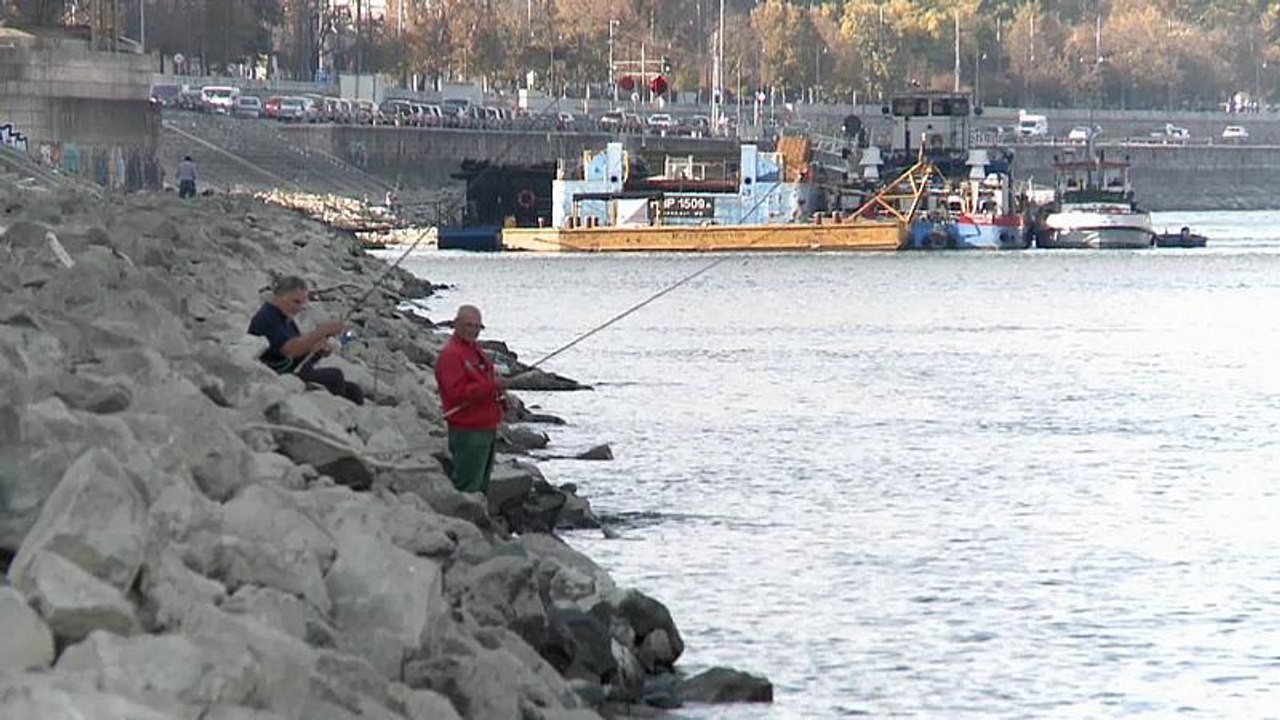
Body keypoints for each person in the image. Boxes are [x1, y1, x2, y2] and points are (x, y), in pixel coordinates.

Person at [248, 275, 364, 405]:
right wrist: (321, 332)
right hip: (280, 376)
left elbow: (299, 354)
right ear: (279, 296)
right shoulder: (267, 318)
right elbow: (288, 351)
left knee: (354, 390)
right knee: (335, 376)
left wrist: (318, 351)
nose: (299, 308)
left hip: (298, 370)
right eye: (296, 302)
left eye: (302, 304)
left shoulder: (286, 320)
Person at [434, 305, 505, 494]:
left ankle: (479, 511)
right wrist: (491, 386)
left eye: (477, 327)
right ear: (456, 324)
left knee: (482, 485)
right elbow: (456, 395)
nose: (473, 330)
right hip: (468, 431)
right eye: (469, 325)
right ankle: (462, 512)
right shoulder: (451, 355)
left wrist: (501, 396)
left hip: (486, 427)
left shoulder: (474, 350)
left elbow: (485, 380)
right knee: (468, 486)